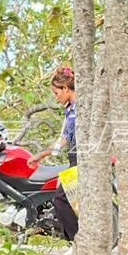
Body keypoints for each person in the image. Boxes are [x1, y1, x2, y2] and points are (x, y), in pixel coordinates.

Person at [28, 66, 78, 241]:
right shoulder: (69, 109)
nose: (56, 98)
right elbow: (64, 136)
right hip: (73, 158)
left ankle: (77, 241)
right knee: (67, 201)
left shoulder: (82, 107)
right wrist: (43, 154)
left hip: (84, 158)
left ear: (65, 88)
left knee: (61, 200)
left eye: (56, 93)